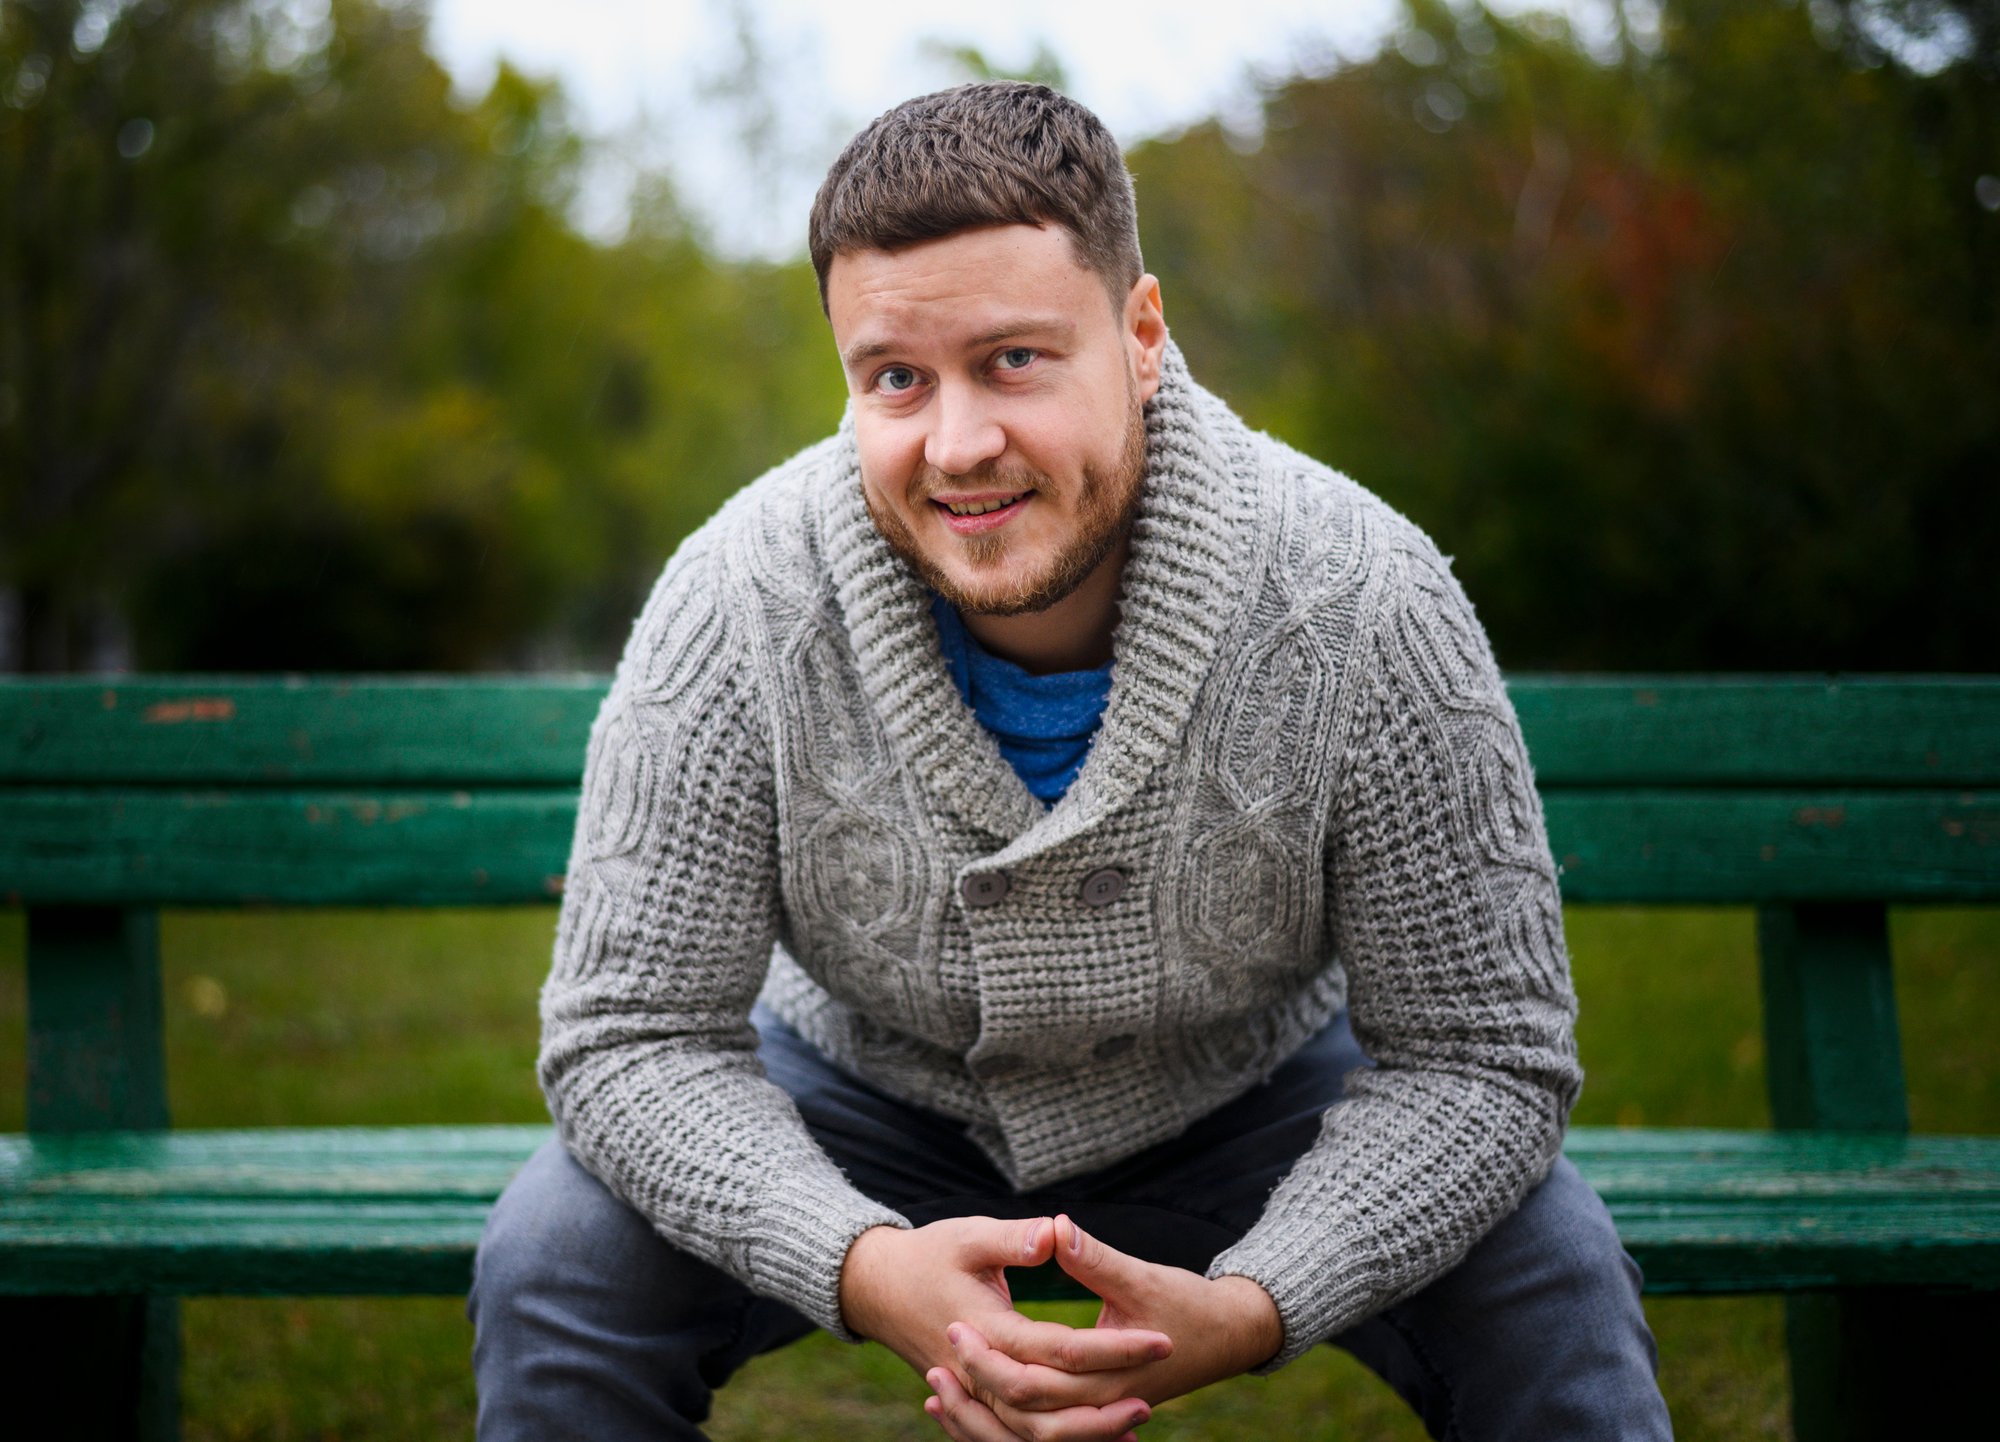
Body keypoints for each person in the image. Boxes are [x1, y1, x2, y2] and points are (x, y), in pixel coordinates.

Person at [469, 81, 1672, 1441]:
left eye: (1015, 360)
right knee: (555, 1262)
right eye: (897, 378)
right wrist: (862, 1263)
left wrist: (1264, 1297)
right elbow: (629, 1037)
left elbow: (1483, 1052)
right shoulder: (737, 600)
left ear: (1141, 333)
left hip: (1252, 1090)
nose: (958, 441)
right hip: (868, 1092)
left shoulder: (1364, 599)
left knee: (1553, 1278)